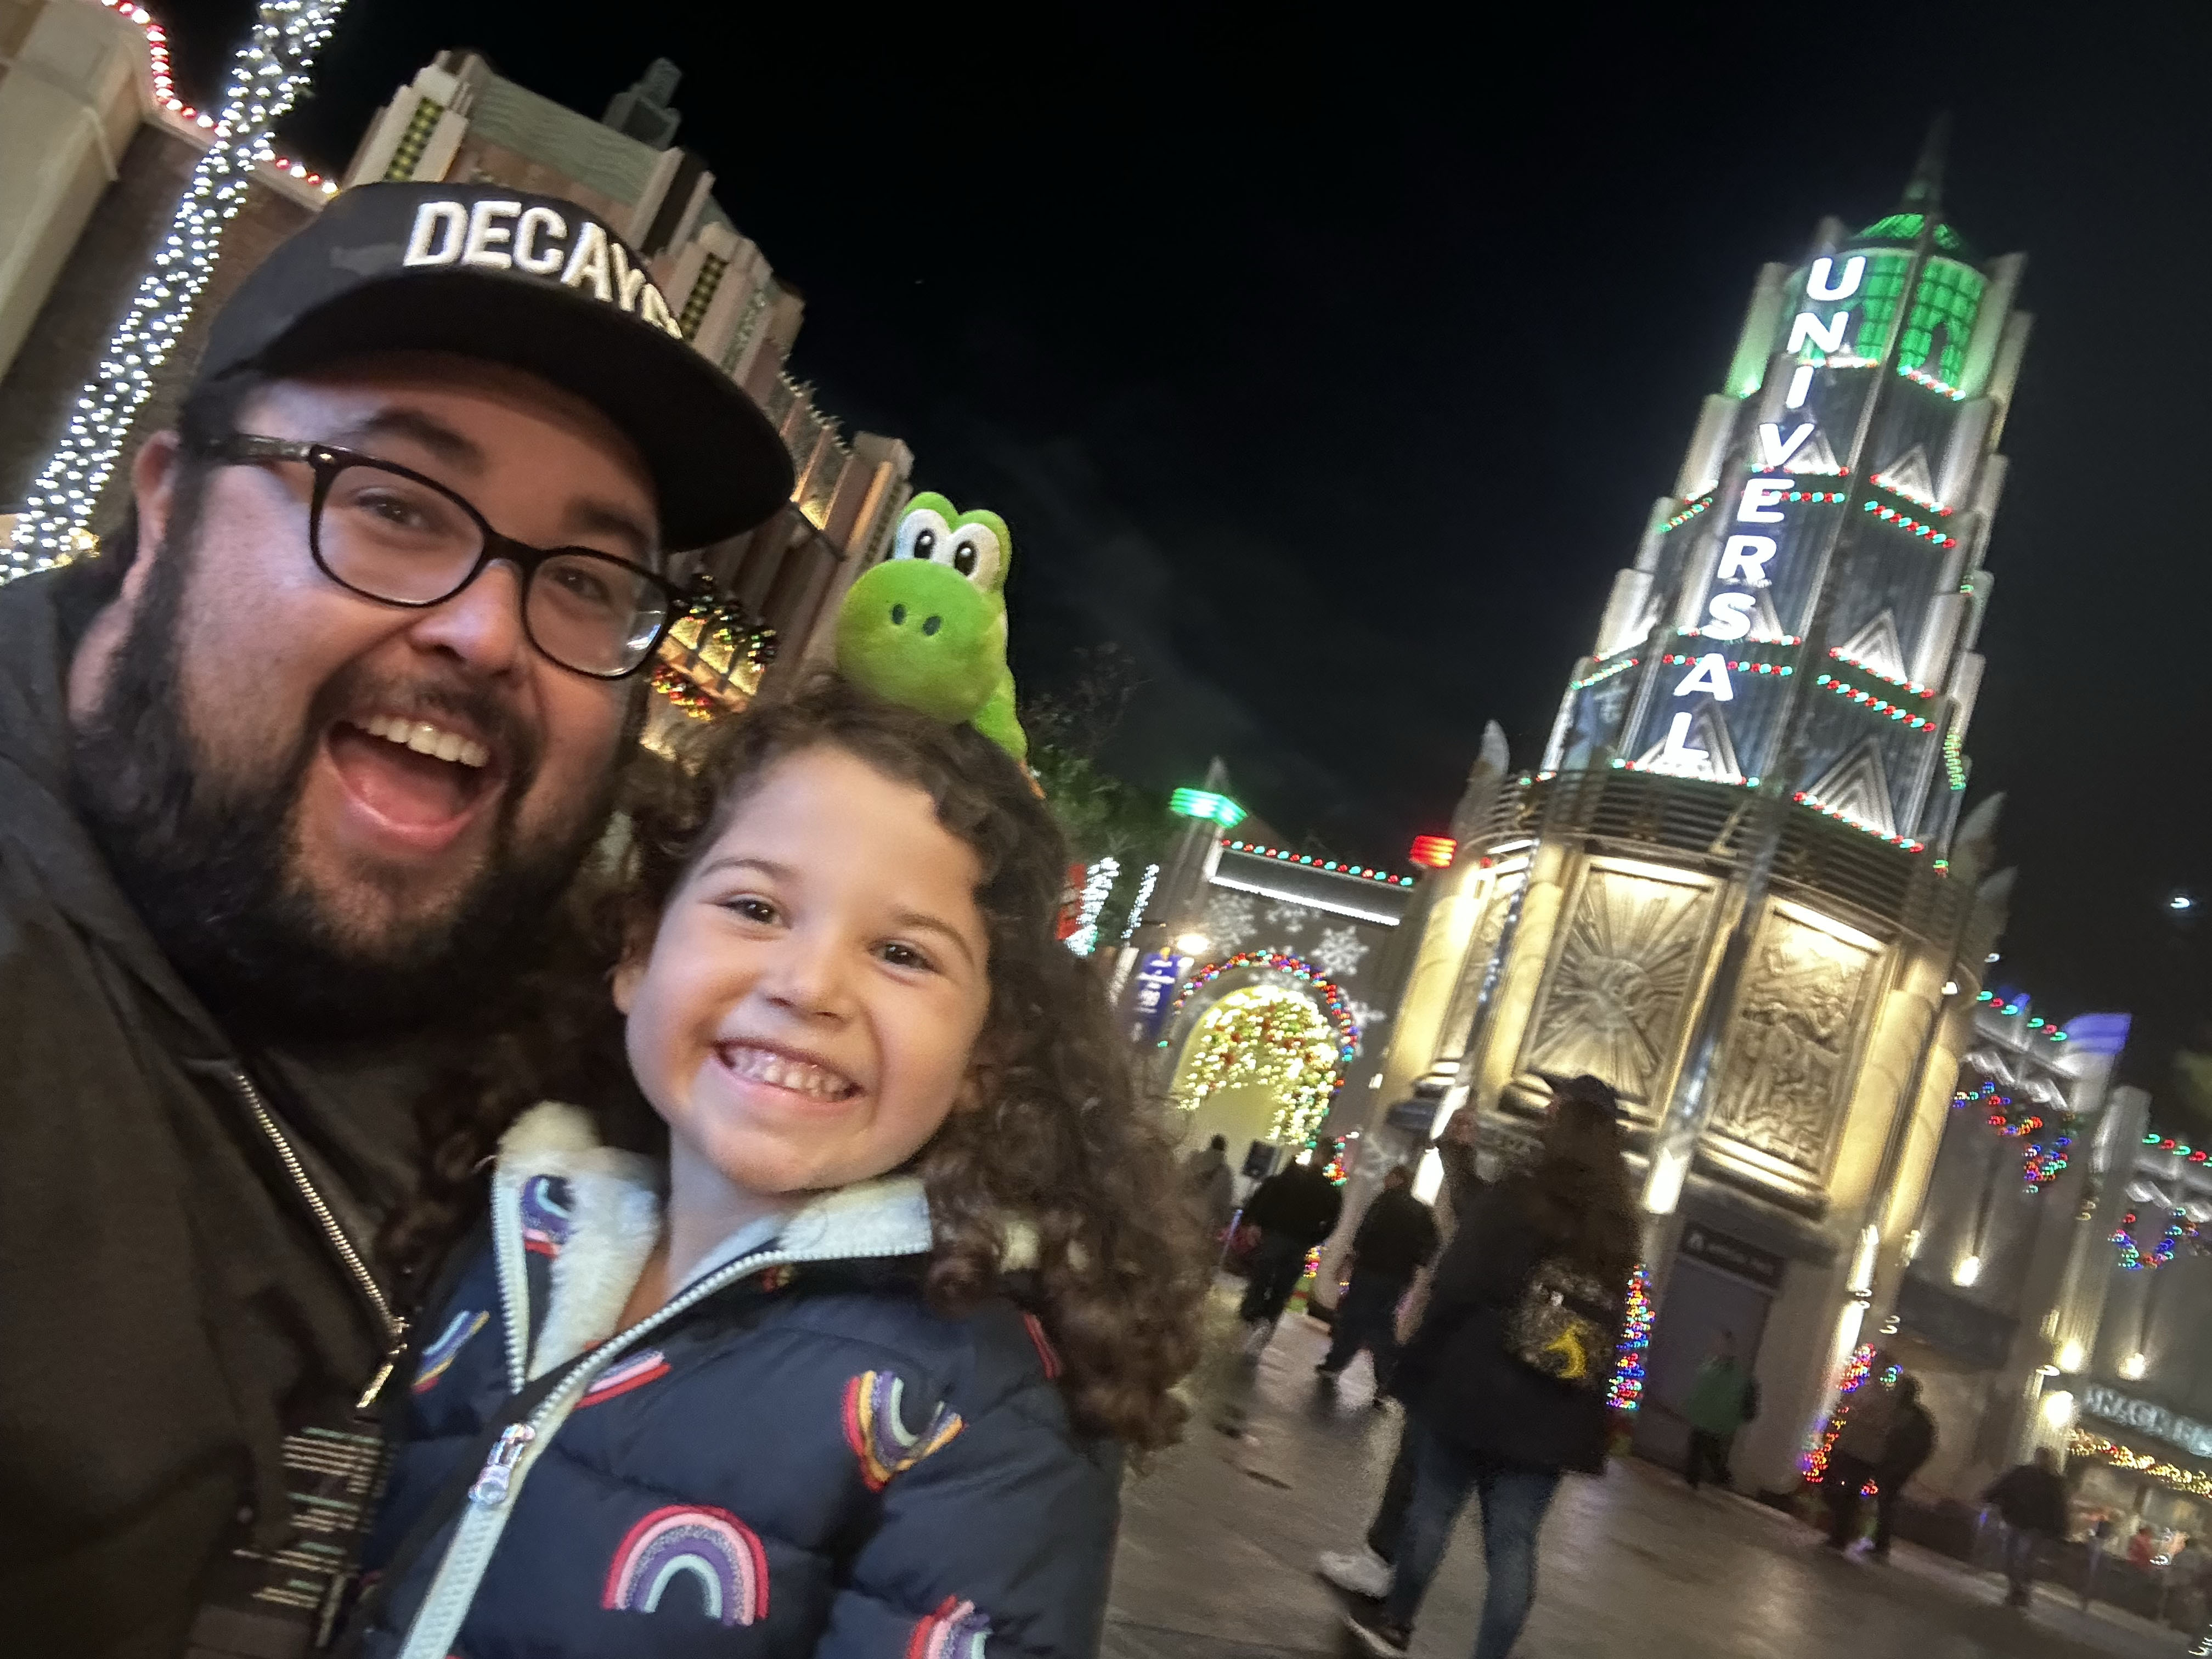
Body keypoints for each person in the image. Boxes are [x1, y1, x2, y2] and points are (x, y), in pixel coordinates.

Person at [0, 182, 799, 1655]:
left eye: (586, 580)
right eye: (393, 506)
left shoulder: (622, 1058)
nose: (487, 633)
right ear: (166, 503)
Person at [344, 675, 1209, 1653]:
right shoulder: (494, 1220)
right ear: (639, 950)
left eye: (902, 953)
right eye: (755, 906)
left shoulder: (980, 1412)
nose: (808, 985)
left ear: (986, 1052)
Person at [1343, 1075, 1639, 1657]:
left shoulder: (1522, 1192)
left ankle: (1397, 1626)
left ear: (1564, 1124)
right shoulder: (1619, 1227)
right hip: (1553, 1408)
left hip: (1473, 1384)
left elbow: (1460, 1279)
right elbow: (1615, 1324)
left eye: (1555, 1107)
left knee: (1433, 1509)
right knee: (1514, 1543)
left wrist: (1420, 1352)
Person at [1320, 1099, 1489, 1598]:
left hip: (1459, 1350)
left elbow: (1468, 1216)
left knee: (1422, 1468)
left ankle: (1384, 1570)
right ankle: (1400, 1597)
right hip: (1471, 1355)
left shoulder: (1513, 1209)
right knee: (1451, 1494)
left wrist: (1458, 1154)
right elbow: (1441, 1236)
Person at [1317, 1165, 1438, 1392]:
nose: (1385, 1180)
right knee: (1381, 1322)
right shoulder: (1421, 1211)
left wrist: (1351, 1258)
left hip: (1370, 1270)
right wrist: (1413, 1259)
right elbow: (1432, 1244)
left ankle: (1336, 1364)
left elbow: (1365, 1233)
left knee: (1355, 1318)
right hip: (1398, 1277)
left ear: (1398, 1179)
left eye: (1390, 1177)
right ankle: (1386, 1377)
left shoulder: (1384, 1202)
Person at [1238, 1149, 1345, 1357]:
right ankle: (1267, 1321)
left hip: (1278, 1236)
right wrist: (1315, 1238)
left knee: (1262, 1276)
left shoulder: (1292, 1178)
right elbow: (1332, 1223)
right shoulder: (1331, 1192)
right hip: (1302, 1243)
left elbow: (1269, 1200)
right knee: (1283, 1287)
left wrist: (1260, 1224)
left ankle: (1252, 1314)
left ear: (1317, 1156)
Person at [1822, 1363, 1899, 1550]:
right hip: (1851, 1449)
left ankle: (1841, 1535)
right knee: (1839, 1490)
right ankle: (1839, 1533)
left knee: (1850, 1494)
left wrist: (1859, 1416)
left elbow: (1878, 1423)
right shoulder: (1865, 1390)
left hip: (1863, 1454)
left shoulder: (1886, 1400)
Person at [1983, 1448, 2071, 1607]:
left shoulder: (2051, 1482)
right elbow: (2004, 1486)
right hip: (2020, 1521)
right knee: (2013, 1556)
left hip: (2033, 1526)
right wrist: (1990, 1496)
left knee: (2024, 1558)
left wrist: (2060, 1529)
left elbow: (2058, 1508)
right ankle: (2018, 1589)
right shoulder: (2025, 1474)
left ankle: (2020, 1589)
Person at [1682, 1330, 1759, 1492]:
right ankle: (1712, 1477)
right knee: (1707, 1446)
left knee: (1703, 1445)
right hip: (1710, 1417)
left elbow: (1716, 1391)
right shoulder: (1717, 1367)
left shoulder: (1724, 1370)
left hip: (1712, 1417)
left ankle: (1705, 1477)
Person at [1871, 1375, 1937, 1559]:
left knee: (1887, 1503)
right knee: (1885, 1503)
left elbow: (1921, 1447)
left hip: (1896, 1467)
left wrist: (1905, 1466)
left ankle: (1881, 1543)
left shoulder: (1915, 1419)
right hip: (1889, 1464)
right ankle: (1879, 1541)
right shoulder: (1906, 1414)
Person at [1184, 1132, 1239, 1240]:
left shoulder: (1194, 1159)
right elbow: (1224, 1202)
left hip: (1179, 1208)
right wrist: (1224, 1221)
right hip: (1200, 1218)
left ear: (1211, 1144)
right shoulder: (1225, 1172)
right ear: (1224, 1150)